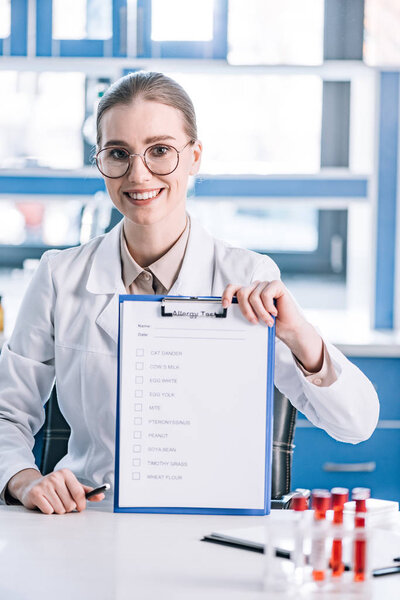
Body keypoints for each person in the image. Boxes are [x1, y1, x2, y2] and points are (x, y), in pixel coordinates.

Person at [0, 71, 379, 515]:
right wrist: (22, 480)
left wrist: (302, 337)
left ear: (195, 156)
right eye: (118, 153)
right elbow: (8, 413)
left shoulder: (247, 276)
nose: (138, 173)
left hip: (210, 523)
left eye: (160, 150)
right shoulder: (59, 276)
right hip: (89, 519)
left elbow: (356, 424)